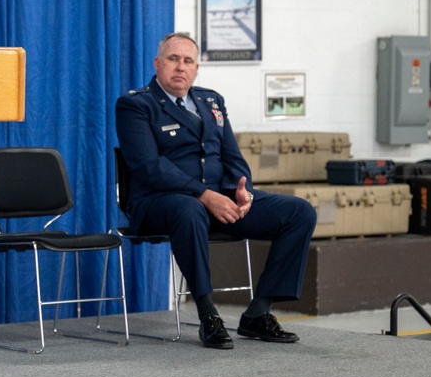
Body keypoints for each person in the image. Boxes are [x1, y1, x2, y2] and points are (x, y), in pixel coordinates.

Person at [115, 33, 315, 350]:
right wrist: (204, 195)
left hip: (219, 202)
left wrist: (243, 191)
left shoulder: (211, 101)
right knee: (189, 209)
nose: (180, 67)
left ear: (196, 68)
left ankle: (258, 313)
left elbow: (232, 156)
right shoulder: (136, 104)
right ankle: (208, 316)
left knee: (298, 212)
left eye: (188, 61)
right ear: (157, 63)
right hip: (158, 204)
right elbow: (150, 166)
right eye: (172, 59)